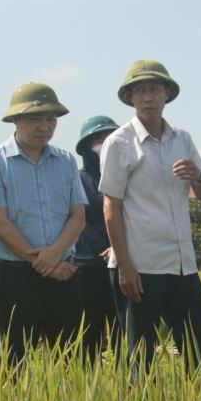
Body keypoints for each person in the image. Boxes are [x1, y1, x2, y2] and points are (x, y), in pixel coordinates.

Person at [99, 60, 201, 367]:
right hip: (140, 264)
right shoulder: (119, 143)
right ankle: (140, 400)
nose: (148, 96)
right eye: (140, 91)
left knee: (199, 350)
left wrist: (197, 176)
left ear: (167, 95)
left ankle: (200, 396)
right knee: (140, 355)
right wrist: (124, 266)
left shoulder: (183, 139)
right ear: (130, 97)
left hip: (181, 263)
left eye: (154, 89)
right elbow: (111, 206)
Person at [0, 82, 86, 363]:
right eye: (36, 118)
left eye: (51, 119)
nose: (44, 126)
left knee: (72, 362)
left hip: (64, 275)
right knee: (12, 362)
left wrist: (55, 255)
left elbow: (78, 216)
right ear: (15, 119)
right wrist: (46, 263)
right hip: (16, 278)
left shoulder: (66, 161)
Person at [74, 115, 119, 355]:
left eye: (110, 137)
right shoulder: (77, 180)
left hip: (123, 264)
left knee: (123, 329)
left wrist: (118, 248)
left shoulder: (126, 176)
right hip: (88, 266)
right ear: (85, 147)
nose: (105, 143)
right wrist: (103, 248)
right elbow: (77, 221)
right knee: (89, 331)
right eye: (98, 139)